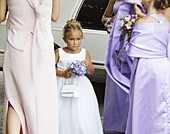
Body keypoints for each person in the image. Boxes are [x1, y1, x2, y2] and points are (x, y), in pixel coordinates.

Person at [0, 0, 60, 134]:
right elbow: (54, 16)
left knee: (14, 98)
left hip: (16, 46)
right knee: (41, 96)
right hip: (42, 48)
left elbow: (0, 17)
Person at [125, 0, 170, 133]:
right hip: (162, 65)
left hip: (146, 68)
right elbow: (155, 24)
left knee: (145, 105)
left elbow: (132, 52)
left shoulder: (141, 23)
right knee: (160, 103)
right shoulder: (166, 20)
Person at [103, 0, 145, 133]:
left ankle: (133, 124)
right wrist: (112, 24)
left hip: (135, 45)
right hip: (118, 45)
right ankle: (118, 124)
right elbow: (105, 18)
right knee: (117, 87)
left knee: (133, 84)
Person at [55, 19, 103, 134]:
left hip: (80, 86)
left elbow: (91, 72)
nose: (75, 42)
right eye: (71, 39)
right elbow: (48, 68)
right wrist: (62, 73)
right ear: (64, 39)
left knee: (80, 110)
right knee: (62, 110)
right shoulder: (59, 52)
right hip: (62, 84)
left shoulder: (84, 52)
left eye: (78, 39)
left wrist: (88, 65)